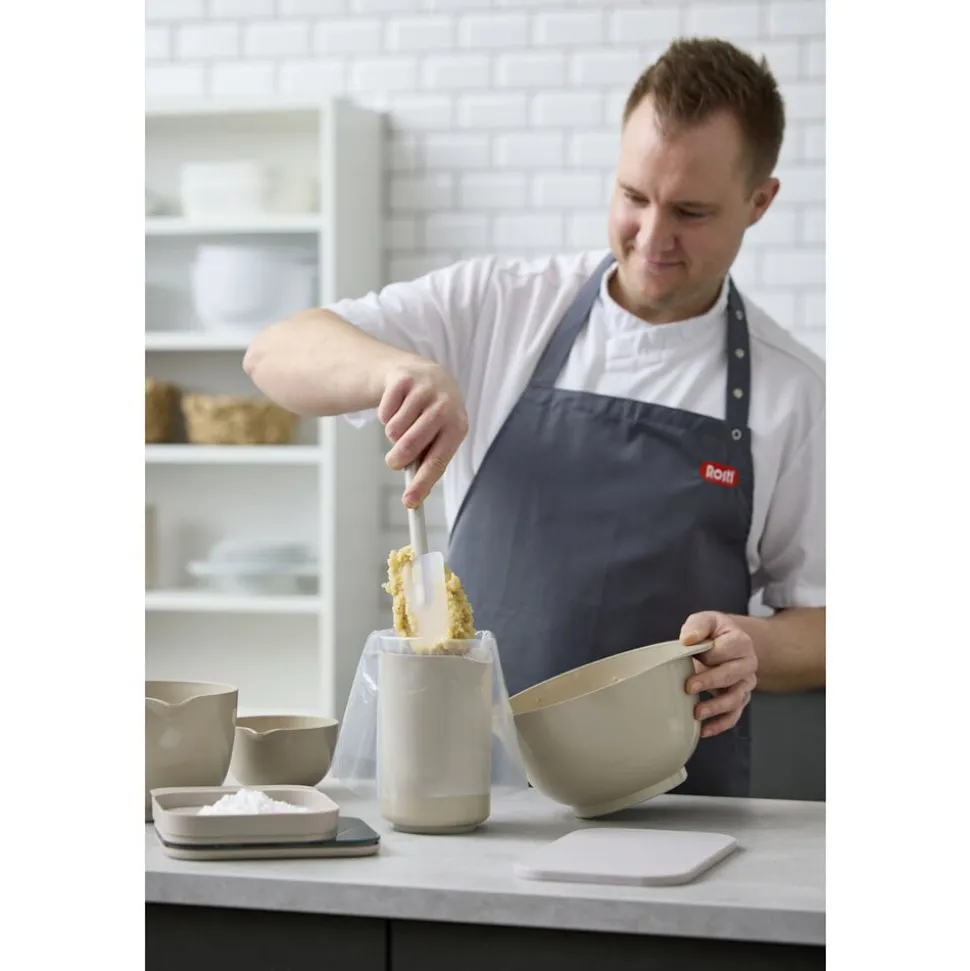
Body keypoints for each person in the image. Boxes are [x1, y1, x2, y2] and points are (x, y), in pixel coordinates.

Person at [243, 37, 825, 799]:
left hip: (683, 812)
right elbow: (274, 352)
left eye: (691, 211)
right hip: (472, 795)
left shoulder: (793, 390)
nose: (652, 237)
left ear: (759, 202)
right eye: (634, 196)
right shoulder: (499, 307)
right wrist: (395, 369)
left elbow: (827, 623)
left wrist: (755, 644)